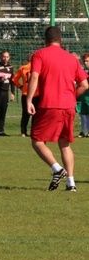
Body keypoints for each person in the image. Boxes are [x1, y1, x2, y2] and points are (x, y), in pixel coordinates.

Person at [26, 26, 89, 192]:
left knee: (37, 141)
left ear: (45, 40)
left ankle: (57, 169)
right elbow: (85, 84)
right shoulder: (71, 59)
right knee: (65, 144)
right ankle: (71, 182)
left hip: (49, 104)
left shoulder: (40, 54)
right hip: (69, 106)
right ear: (61, 41)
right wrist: (71, 97)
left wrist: (29, 99)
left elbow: (34, 76)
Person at [11, 53, 39, 137]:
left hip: (26, 93)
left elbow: (14, 79)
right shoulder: (38, 68)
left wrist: (21, 86)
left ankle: (23, 131)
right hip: (36, 93)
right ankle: (33, 131)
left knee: (25, 114)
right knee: (36, 114)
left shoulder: (23, 68)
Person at [77, 53, 89, 138]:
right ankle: (82, 131)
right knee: (82, 113)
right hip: (83, 95)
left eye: (87, 61)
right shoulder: (83, 71)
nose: (86, 63)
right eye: (85, 61)